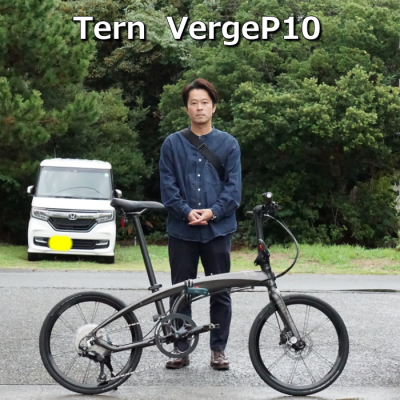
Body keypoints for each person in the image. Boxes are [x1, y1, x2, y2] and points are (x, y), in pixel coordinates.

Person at [159, 78, 242, 370]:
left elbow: (234, 189)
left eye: (205, 102)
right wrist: (186, 212)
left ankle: (218, 350)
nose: (199, 108)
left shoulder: (229, 144)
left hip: (218, 230)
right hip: (182, 231)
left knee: (220, 291)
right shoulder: (172, 144)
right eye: (193, 103)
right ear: (186, 108)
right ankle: (181, 347)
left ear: (214, 107)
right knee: (181, 291)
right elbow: (167, 187)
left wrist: (212, 212)